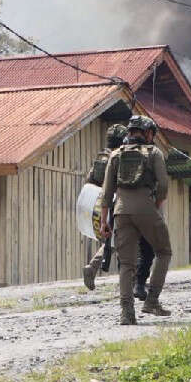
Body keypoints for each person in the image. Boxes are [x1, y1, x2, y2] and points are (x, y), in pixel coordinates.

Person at [100, 115, 172, 325]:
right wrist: (156, 206)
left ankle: (127, 313)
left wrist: (104, 221)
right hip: (146, 207)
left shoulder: (116, 155)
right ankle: (152, 301)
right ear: (148, 133)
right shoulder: (154, 153)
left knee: (126, 264)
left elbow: (106, 192)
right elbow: (164, 185)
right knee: (164, 251)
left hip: (120, 211)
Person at [83, 124, 128, 290]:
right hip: (116, 204)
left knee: (114, 240)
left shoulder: (102, 156)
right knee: (124, 238)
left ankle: (93, 268)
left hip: (99, 204)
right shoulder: (119, 157)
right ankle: (131, 279)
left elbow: (89, 181)